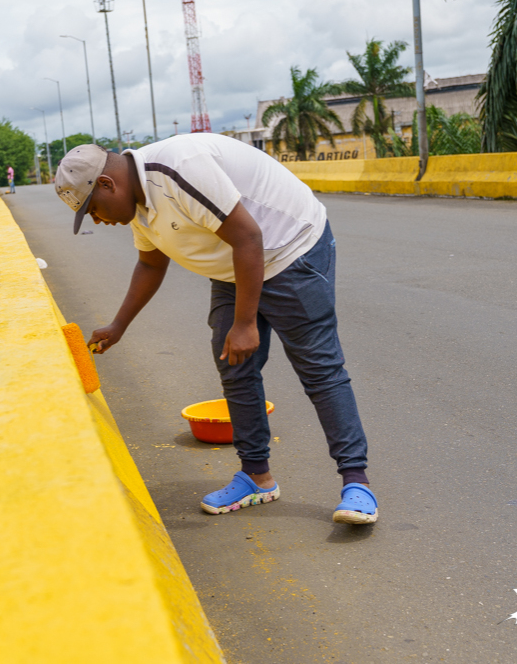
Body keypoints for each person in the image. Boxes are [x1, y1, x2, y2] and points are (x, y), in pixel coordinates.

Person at [54, 136, 378, 525]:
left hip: (291, 251)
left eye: (93, 210)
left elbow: (249, 236)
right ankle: (257, 477)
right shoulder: (138, 205)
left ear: (108, 184)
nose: (97, 219)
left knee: (318, 368)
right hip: (236, 263)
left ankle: (356, 483)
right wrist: (118, 325)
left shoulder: (178, 169)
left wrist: (245, 323)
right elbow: (152, 265)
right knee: (234, 365)